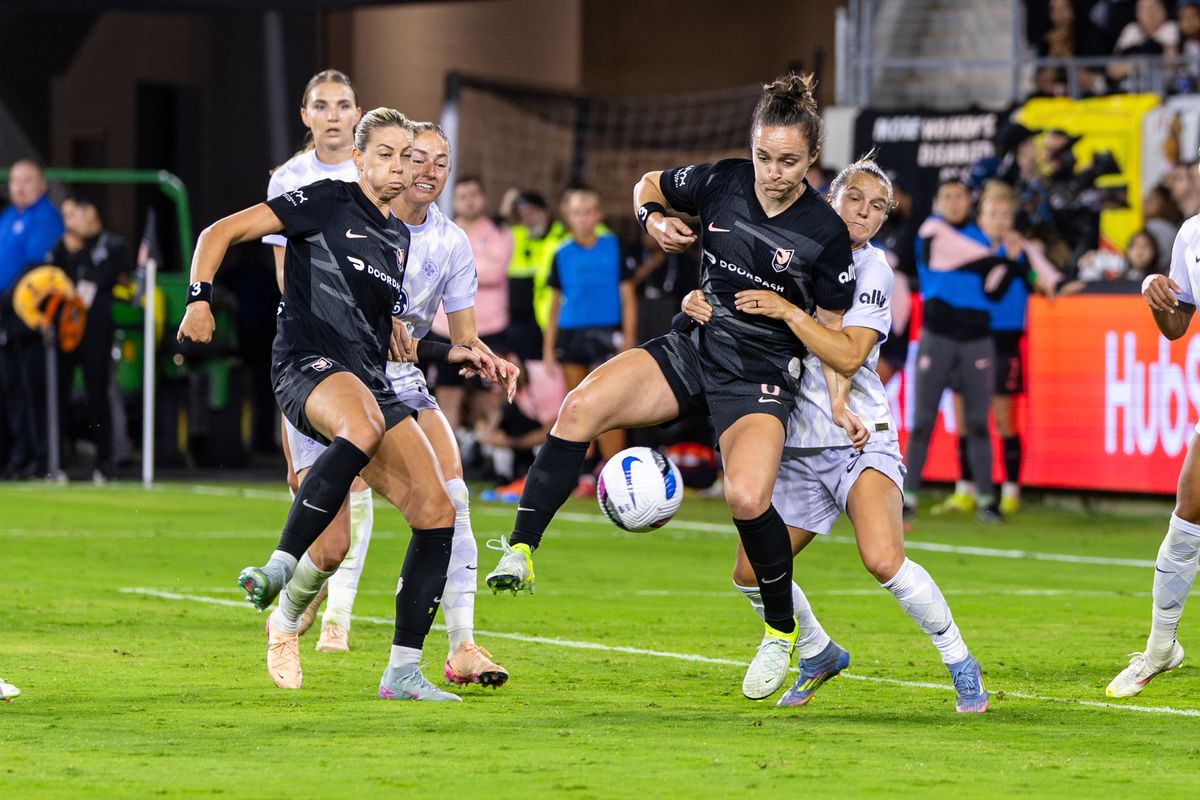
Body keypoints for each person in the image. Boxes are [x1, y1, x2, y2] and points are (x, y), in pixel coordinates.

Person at [485, 73, 858, 699]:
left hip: (760, 375)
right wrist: (652, 218)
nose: (772, 171)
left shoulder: (824, 233)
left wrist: (796, 330)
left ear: (812, 159)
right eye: (764, 156)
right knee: (580, 407)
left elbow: (837, 342)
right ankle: (521, 549)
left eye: (788, 161)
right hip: (694, 345)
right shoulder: (723, 180)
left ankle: (781, 633)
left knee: (744, 497)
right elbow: (648, 185)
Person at [177, 108, 497, 702]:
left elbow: (379, 337)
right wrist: (199, 299)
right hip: (305, 367)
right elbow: (216, 232)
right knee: (362, 426)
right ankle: (278, 565)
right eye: (387, 154)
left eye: (408, 155)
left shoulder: (397, 238)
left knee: (436, 512)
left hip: (367, 380)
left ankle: (400, 672)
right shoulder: (323, 199)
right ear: (358, 157)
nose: (400, 166)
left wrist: (448, 350)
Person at [681, 154, 988, 712]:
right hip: (795, 442)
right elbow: (732, 291)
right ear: (830, 200)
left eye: (876, 207)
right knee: (750, 575)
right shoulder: (789, 247)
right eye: (854, 200)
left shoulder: (874, 269)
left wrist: (787, 312)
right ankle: (819, 652)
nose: (863, 214)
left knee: (882, 560)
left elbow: (848, 353)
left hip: (857, 437)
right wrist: (696, 300)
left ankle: (959, 659)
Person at [286, 122, 516, 686]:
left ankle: (460, 645)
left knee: (452, 494)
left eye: (443, 161)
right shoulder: (352, 217)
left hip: (400, 381)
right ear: (392, 164)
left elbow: (460, 338)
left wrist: (486, 358)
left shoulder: (450, 242)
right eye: (417, 159)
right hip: (330, 369)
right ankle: (298, 602)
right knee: (332, 542)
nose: (429, 170)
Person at [258, 69, 371, 655]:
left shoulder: (374, 170)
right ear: (305, 116)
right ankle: (311, 581)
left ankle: (336, 619)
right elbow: (284, 273)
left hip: (369, 351)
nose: (332, 115)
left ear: (358, 113)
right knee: (308, 485)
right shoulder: (291, 178)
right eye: (321, 105)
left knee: (361, 478)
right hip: (307, 348)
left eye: (343, 105)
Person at [1107, 200, 1200, 698]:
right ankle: (1162, 646)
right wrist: (1153, 293)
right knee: (1187, 520)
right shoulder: (1192, 233)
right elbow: (1177, 325)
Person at [903, 179, 1002, 524]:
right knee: (923, 421)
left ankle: (988, 502)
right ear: (937, 201)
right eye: (946, 196)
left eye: (959, 196)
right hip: (937, 336)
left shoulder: (983, 235)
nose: (953, 202)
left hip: (977, 338)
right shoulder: (932, 232)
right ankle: (907, 497)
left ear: (969, 200)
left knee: (977, 421)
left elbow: (998, 282)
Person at [543, 186, 636, 495]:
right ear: (568, 217)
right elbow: (555, 302)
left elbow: (627, 295)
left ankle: (617, 473)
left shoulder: (613, 247)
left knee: (610, 406)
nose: (583, 219)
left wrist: (630, 340)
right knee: (577, 407)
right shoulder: (562, 253)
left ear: (598, 215)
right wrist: (548, 347)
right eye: (576, 213)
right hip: (572, 335)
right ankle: (583, 474)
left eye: (588, 212)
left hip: (605, 332)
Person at [50, 194, 128, 482]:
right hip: (65, 331)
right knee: (59, 394)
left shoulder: (112, 245)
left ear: (89, 214)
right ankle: (55, 462)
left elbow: (100, 277)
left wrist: (77, 256)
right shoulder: (62, 247)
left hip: (95, 331)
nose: (68, 223)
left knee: (98, 396)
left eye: (73, 216)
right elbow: (54, 278)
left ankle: (104, 463)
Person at [430, 175, 512, 437]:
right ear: (454, 200)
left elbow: (495, 272)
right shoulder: (443, 230)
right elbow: (435, 272)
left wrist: (457, 268)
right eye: (462, 196)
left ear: (483, 198)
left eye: (473, 195)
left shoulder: (499, 231)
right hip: (447, 328)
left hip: (489, 326)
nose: (469, 201)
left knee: (489, 393)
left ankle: (490, 454)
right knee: (447, 393)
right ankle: (449, 453)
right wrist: (475, 265)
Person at [0, 160, 64, 480]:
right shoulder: (10, 216)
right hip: (5, 320)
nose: (20, 187)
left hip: (30, 318)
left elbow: (35, 270)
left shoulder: (46, 217)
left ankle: (43, 458)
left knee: (34, 389)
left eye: (27, 180)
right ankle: (20, 456)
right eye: (15, 181)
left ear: (42, 184)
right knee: (12, 389)